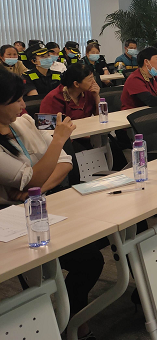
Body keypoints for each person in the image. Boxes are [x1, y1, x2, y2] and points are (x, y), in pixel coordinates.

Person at [0, 71, 103, 340]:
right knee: (83, 261)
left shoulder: (23, 123)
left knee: (93, 253)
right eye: (16, 100)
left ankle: (70, 317)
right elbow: (30, 176)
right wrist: (57, 140)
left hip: (47, 202)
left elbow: (65, 161)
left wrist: (36, 189)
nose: (24, 105)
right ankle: (61, 323)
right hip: (14, 221)